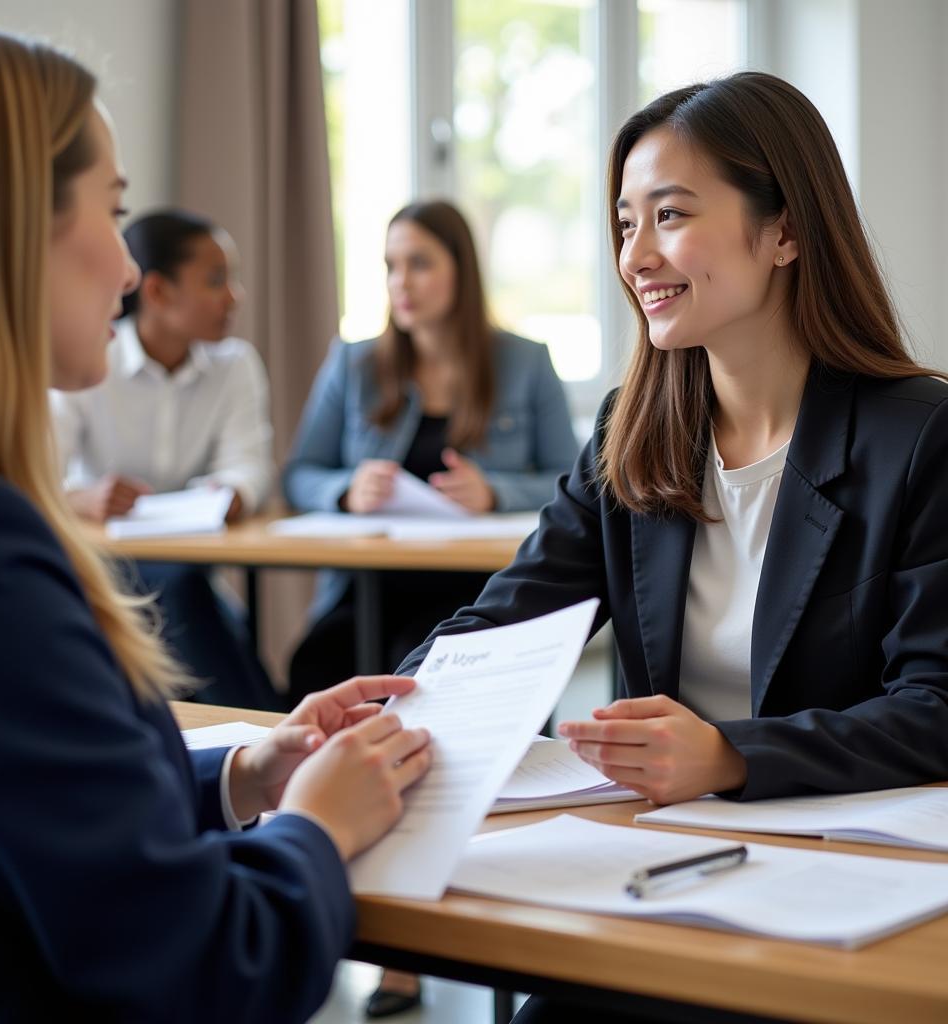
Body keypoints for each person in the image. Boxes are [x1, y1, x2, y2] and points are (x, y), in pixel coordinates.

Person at [393, 75, 948, 1024]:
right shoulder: (633, 431)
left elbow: (937, 709)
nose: (636, 255)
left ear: (785, 233)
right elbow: (507, 617)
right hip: (665, 874)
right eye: (624, 223)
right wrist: (395, 705)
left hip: (844, 895)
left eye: (671, 215)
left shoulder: (921, 435)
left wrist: (730, 755)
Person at [0, 19, 431, 1023]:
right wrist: (319, 829)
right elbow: (204, 966)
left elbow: (43, 825)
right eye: (111, 214)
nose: (124, 270)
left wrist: (247, 771)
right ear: (11, 225)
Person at [283, 199, 579, 704]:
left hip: (475, 590)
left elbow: (572, 480)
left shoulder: (526, 362)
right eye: (391, 267)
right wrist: (346, 490)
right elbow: (298, 474)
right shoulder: (354, 364)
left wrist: (493, 492)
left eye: (419, 264)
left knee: (418, 663)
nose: (401, 281)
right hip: (367, 585)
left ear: (461, 271)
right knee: (316, 662)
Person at [50, 208, 278, 709]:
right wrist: (84, 497)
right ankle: (269, 725)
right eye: (216, 280)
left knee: (190, 599)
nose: (233, 296)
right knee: (186, 603)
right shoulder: (91, 358)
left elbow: (250, 465)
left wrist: (233, 492)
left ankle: (262, 730)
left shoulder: (234, 365)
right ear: (156, 291)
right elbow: (43, 471)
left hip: (195, 569)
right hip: (104, 569)